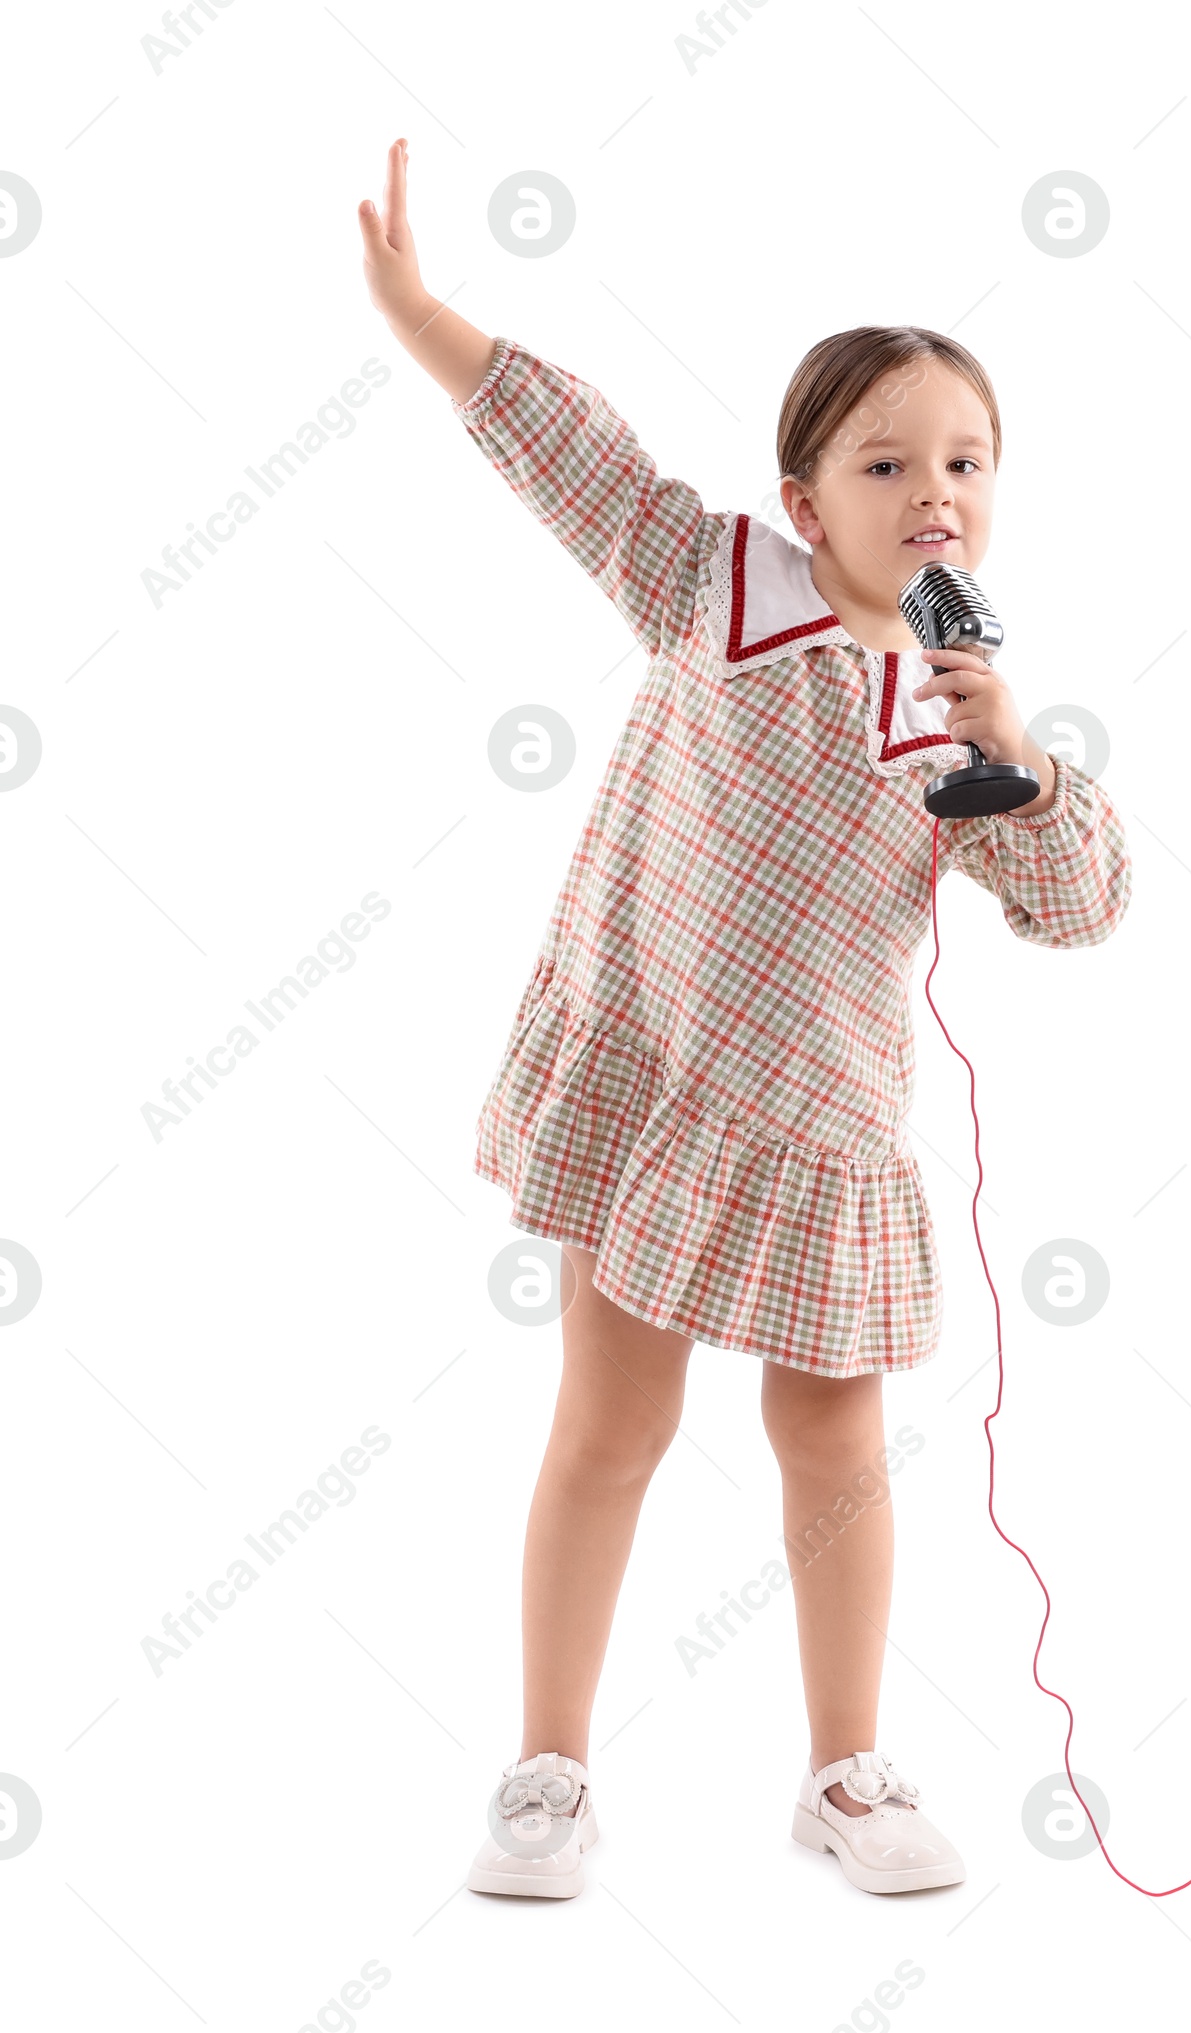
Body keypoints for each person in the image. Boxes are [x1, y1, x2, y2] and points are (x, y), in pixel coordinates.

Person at [356, 137, 1132, 1901]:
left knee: (837, 1447)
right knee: (610, 1425)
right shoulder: (712, 591)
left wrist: (1015, 754)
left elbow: (1083, 901)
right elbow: (580, 461)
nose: (933, 489)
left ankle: (844, 1772)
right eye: (886, 459)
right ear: (806, 493)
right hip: (659, 1091)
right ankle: (547, 1768)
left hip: (825, 1137)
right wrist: (426, 317)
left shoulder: (961, 721)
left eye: (965, 460)